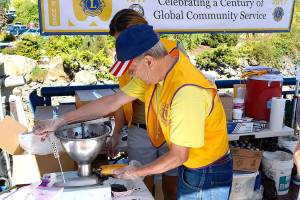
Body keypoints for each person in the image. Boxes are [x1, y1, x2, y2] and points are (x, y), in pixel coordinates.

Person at [34, 24, 232, 199]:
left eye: (132, 69)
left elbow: (178, 156)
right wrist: (60, 121)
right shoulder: (159, 67)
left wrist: (137, 172)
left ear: (148, 61)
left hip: (208, 170)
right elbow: (112, 101)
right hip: (193, 165)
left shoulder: (186, 93)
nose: (131, 75)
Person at [107, 9, 178, 199]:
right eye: (118, 42)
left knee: (173, 187)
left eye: (125, 38)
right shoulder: (125, 61)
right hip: (140, 131)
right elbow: (119, 101)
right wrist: (115, 134)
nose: (123, 46)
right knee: (142, 190)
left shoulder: (170, 52)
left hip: (170, 130)